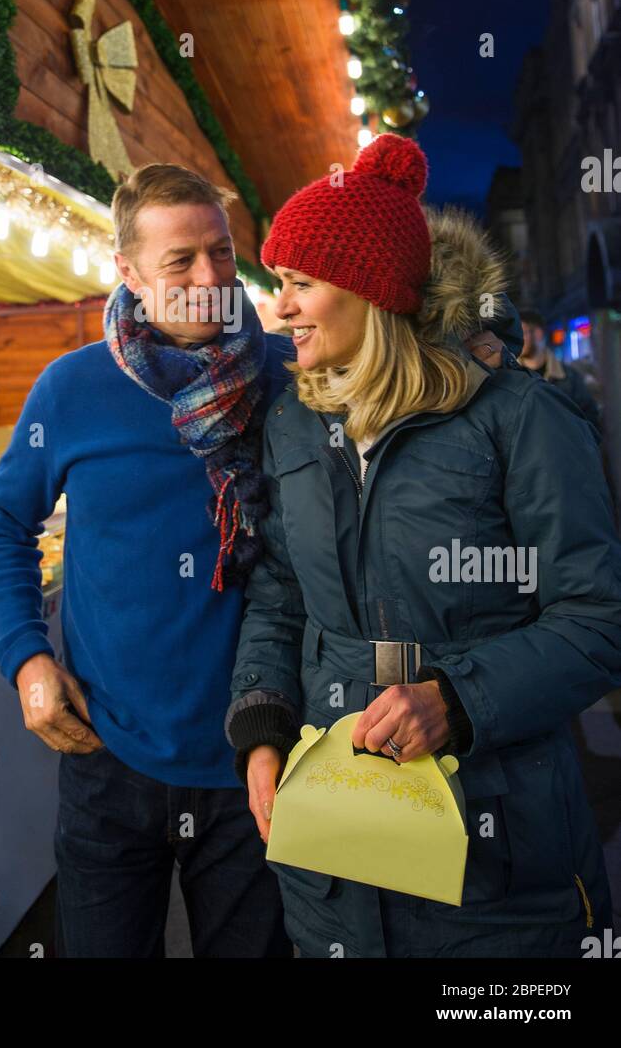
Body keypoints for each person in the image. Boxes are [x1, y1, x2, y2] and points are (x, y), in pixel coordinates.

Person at [226, 134, 621, 959]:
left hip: (498, 871)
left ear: (368, 291)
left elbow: (598, 618)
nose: (281, 309)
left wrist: (458, 698)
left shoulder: (519, 421)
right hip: (335, 864)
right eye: (277, 286)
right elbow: (279, 596)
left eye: (300, 284)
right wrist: (262, 725)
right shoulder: (294, 423)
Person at [0, 163, 295, 959]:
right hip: (107, 756)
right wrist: (25, 660)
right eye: (179, 260)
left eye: (220, 252)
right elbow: (3, 520)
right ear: (126, 271)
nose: (211, 276)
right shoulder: (72, 388)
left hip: (257, 753)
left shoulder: (290, 374)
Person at [518, 307, 601, 429]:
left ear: (537, 333)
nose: (518, 338)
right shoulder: (512, 377)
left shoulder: (569, 377)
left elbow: (590, 418)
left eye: (522, 332)